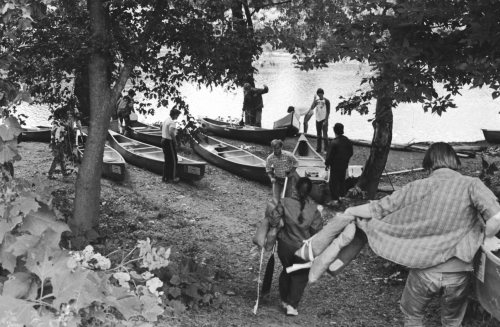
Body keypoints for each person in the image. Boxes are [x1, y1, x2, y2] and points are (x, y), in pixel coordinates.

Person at [345, 142, 500, 327]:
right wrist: (483, 237)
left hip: (424, 270)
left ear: (429, 163)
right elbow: (496, 218)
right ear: (454, 160)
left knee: (412, 314)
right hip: (459, 272)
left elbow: (378, 208)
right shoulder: (471, 185)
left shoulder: (414, 186)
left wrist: (350, 211)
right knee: (451, 320)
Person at [266, 177, 323, 316]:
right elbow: (317, 231)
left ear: (296, 189)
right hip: (303, 248)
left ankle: (285, 301)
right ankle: (292, 305)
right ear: (309, 192)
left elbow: (273, 220)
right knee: (300, 275)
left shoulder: (285, 202)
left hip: (285, 245)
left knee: (287, 269)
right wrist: (320, 215)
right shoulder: (313, 210)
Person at [325, 123, 353, 207]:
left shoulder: (334, 142)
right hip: (344, 165)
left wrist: (327, 164)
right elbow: (351, 153)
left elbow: (329, 155)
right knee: (341, 181)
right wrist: (345, 160)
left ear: (334, 130)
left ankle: (335, 200)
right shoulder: (347, 141)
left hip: (335, 165)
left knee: (333, 182)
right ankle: (342, 196)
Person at [304, 88, 330, 153]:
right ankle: (318, 149)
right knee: (318, 135)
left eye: (321, 94)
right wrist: (314, 99)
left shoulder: (326, 101)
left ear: (323, 94)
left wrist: (326, 120)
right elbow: (312, 107)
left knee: (325, 135)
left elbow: (328, 111)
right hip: (318, 119)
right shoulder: (317, 101)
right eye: (318, 94)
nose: (320, 95)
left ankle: (326, 149)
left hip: (324, 119)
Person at [48, 108, 72, 179]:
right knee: (56, 158)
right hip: (57, 144)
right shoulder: (58, 124)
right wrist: (63, 135)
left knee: (61, 158)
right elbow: (57, 134)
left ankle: (64, 172)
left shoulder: (57, 123)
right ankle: (50, 174)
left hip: (57, 143)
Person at [161, 108, 181, 183]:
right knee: (173, 160)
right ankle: (172, 177)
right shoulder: (172, 122)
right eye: (177, 115)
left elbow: (161, 127)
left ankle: (165, 177)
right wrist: (175, 141)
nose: (178, 116)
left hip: (163, 140)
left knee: (167, 160)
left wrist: (164, 133)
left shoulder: (166, 119)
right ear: (175, 114)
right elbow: (171, 132)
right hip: (169, 141)